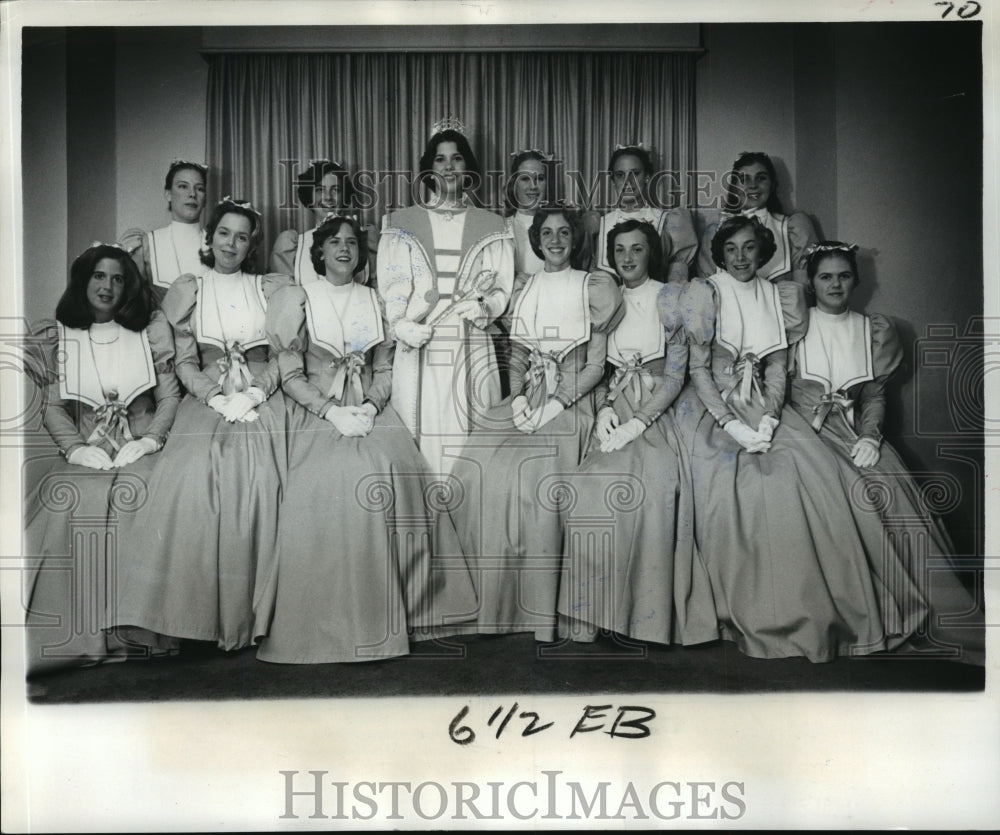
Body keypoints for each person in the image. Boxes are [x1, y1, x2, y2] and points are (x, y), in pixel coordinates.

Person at [681, 215, 903, 662]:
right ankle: (748, 609)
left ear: (763, 251)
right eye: (732, 249)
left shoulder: (780, 296)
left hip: (764, 404)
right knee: (733, 489)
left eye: (749, 248)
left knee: (812, 472)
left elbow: (778, 367)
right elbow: (698, 370)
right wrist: (733, 424)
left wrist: (766, 418)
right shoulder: (705, 293)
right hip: (711, 409)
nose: (741, 257)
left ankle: (816, 610)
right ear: (720, 254)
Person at [257, 216, 477, 663]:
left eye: (352, 243)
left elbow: (382, 369)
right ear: (318, 252)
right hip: (317, 410)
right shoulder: (297, 298)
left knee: (392, 468)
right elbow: (290, 373)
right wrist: (331, 411)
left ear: (361, 254)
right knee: (330, 478)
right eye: (334, 242)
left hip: (369, 409)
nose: (344, 249)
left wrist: (372, 406)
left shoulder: (374, 300)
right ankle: (332, 622)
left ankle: (406, 609)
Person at [787, 242, 984, 664]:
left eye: (843, 276)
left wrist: (871, 437)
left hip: (854, 433)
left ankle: (930, 611)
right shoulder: (795, 327)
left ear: (856, 280)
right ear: (812, 282)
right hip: (804, 436)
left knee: (889, 492)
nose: (835, 284)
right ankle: (855, 615)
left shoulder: (872, 328)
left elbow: (874, 396)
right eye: (826, 277)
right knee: (833, 496)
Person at [112, 198, 293, 651]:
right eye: (225, 233)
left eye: (242, 236)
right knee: (191, 473)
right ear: (211, 238)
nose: (232, 243)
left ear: (252, 245)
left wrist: (255, 392)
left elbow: (281, 356)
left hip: (259, 391)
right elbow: (186, 363)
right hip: (206, 393)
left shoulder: (271, 288)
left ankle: (251, 615)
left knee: (260, 471)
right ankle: (192, 616)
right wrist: (213, 395)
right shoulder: (189, 288)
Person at [450, 204, 622, 642]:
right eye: (547, 233)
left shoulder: (594, 286)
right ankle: (497, 605)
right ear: (536, 240)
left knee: (540, 480)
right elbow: (522, 354)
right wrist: (524, 398)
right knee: (478, 469)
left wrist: (556, 404)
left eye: (564, 233)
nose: (557, 240)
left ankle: (544, 610)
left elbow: (596, 366)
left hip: (573, 402)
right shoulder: (526, 287)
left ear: (576, 239)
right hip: (531, 396)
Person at [557, 220, 718, 646]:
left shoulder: (671, 298)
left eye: (638, 249)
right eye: (621, 250)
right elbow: (604, 369)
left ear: (653, 254)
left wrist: (637, 422)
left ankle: (645, 615)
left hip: (659, 410)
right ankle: (596, 611)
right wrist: (609, 409)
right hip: (615, 404)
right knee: (588, 484)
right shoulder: (606, 301)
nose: (628, 258)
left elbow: (674, 377)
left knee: (656, 484)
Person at [23, 243, 180, 675]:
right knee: (70, 501)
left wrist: (149, 441)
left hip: (142, 443)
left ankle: (135, 633)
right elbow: (53, 408)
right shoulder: (64, 337)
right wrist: (74, 447)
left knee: (146, 500)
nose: (107, 286)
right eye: (99, 276)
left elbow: (169, 397)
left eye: (117, 278)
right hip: (88, 448)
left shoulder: (149, 332)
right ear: (84, 282)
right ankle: (78, 638)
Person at [377, 120, 515, 476]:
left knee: (469, 430)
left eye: (456, 158)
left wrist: (485, 307)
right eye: (440, 159)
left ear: (467, 166)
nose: (449, 166)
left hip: (472, 341)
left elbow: (502, 290)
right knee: (422, 430)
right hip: (420, 342)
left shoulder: (493, 224)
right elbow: (394, 284)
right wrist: (400, 324)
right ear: (428, 167)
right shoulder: (401, 222)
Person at [696, 151, 817, 287]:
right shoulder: (714, 232)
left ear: (772, 185)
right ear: (734, 188)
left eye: (761, 178)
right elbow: (707, 291)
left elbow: (803, 292)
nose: (753, 185)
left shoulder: (793, 228)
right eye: (744, 179)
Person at [586, 144, 697, 283]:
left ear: (647, 177)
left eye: (635, 174)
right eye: (620, 175)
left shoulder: (667, 221)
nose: (628, 182)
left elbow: (677, 278)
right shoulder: (599, 224)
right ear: (613, 181)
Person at [270, 159, 378, 285]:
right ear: (310, 196)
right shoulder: (292, 245)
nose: (328, 197)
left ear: (344, 196)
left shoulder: (366, 239)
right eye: (320, 190)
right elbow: (285, 297)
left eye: (335, 190)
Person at [120, 159, 209, 303]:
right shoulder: (146, 245)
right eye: (183, 186)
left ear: (205, 199)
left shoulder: (218, 245)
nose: (192, 194)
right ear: (168, 194)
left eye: (199, 188)